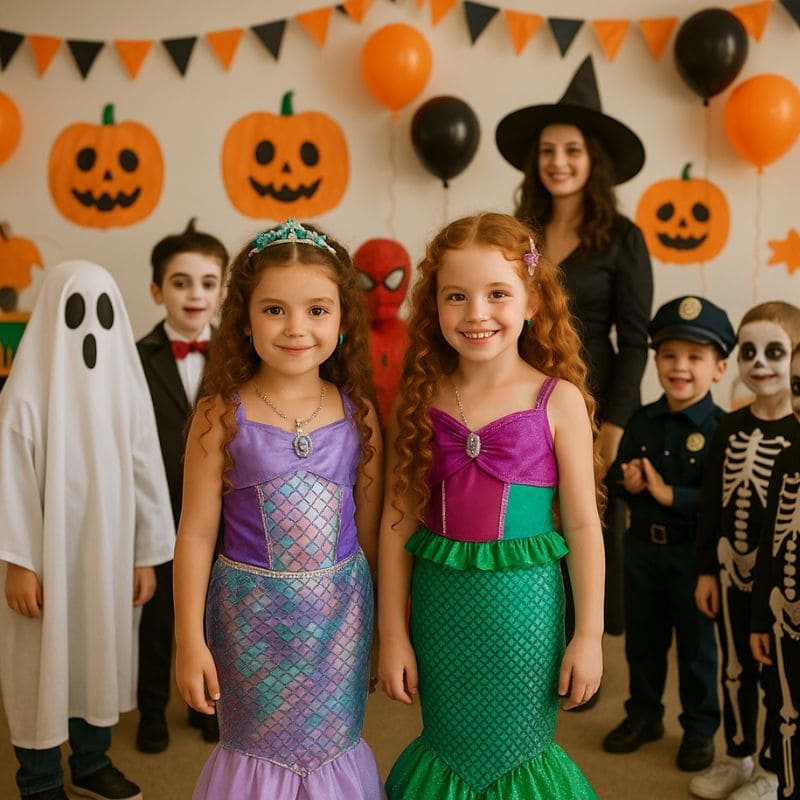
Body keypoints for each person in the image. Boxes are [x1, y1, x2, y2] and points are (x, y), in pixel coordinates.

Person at [379, 213, 605, 799]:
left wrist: (589, 635)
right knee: (449, 743)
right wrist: (392, 633)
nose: (477, 313)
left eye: (498, 294)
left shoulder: (560, 402)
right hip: (440, 610)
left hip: (525, 613)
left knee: (518, 747)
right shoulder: (420, 397)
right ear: (435, 307)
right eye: (457, 296)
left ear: (532, 301)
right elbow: (397, 520)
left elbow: (583, 525)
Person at [172, 219, 385, 799]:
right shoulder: (220, 415)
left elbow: (369, 538)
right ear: (243, 318)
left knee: (331, 744)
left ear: (343, 320)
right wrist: (189, 640)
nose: (297, 328)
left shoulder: (358, 413)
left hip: (340, 620)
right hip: (249, 624)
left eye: (317, 310)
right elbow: (193, 535)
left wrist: (383, 630)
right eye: (274, 310)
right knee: (259, 748)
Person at [0, 261, 175, 800]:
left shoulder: (127, 392)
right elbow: (10, 484)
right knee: (41, 665)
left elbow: (147, 470)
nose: (91, 329)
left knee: (97, 654)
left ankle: (92, 760)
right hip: (44, 563)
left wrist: (144, 555)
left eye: (103, 312)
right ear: (54, 316)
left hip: (109, 557)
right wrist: (18, 562)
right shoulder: (25, 399)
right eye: (78, 312)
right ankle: (39, 776)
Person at [496, 54, 653, 641]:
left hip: (591, 398)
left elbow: (635, 340)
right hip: (523, 390)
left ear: (594, 161)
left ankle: (583, 645)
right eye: (548, 151)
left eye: (572, 150)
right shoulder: (520, 234)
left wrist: (614, 423)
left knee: (586, 519)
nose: (558, 162)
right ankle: (533, 636)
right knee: (528, 513)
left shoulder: (623, 238)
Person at [603, 296, 735, 773]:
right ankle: (644, 713)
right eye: (669, 356)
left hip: (694, 556)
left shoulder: (724, 431)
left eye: (695, 357)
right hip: (642, 550)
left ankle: (700, 728)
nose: (680, 367)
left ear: (719, 368)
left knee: (698, 646)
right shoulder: (642, 419)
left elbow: (725, 502)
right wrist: (629, 482)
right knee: (643, 639)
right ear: (656, 361)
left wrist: (668, 495)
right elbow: (616, 475)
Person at [692, 302, 800, 800]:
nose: (759, 363)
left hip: (780, 585)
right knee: (732, 668)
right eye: (748, 351)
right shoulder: (728, 428)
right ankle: (738, 756)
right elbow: (710, 507)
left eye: (774, 352)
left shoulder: (797, 436)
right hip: (731, 569)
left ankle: (773, 770)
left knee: (779, 684)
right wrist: (706, 571)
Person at [135, 217, 229, 753]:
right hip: (157, 507)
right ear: (157, 290)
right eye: (180, 282)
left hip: (218, 507)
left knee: (216, 611)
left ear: (221, 290)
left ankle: (210, 706)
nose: (195, 294)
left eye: (208, 283)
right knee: (157, 617)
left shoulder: (241, 358)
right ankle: (151, 709)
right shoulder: (133, 356)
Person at [750, 344, 800, 800]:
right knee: (786, 714)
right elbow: (770, 547)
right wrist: (762, 620)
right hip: (786, 620)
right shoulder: (787, 458)